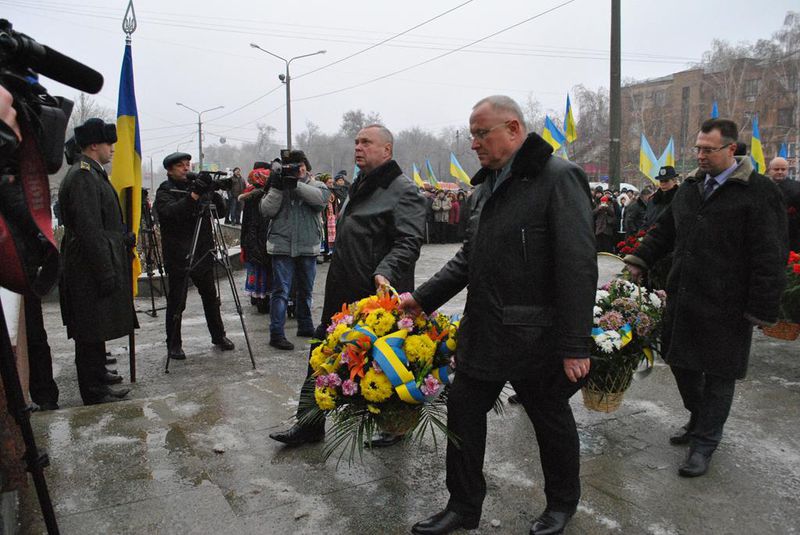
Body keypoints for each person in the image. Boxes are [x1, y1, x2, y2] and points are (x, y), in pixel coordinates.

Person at [404, 96, 596, 535]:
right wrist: (422, 298)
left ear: (513, 129)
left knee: (549, 418)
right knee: (464, 412)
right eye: (471, 133)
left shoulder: (558, 178)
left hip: (538, 335)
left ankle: (562, 504)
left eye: (480, 133)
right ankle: (463, 506)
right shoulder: (487, 185)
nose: (473, 143)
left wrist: (574, 345)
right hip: (485, 328)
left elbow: (577, 266)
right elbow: (471, 256)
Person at [624, 118, 787, 478]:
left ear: (731, 149)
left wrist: (762, 306)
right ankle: (699, 420)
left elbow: (770, 253)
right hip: (685, 295)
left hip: (729, 304)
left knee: (718, 374)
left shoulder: (758, 192)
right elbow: (665, 230)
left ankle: (705, 443)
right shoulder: (691, 188)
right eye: (697, 148)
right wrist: (639, 260)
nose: (699, 155)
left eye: (707, 150)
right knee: (679, 361)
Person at [269, 124, 427, 448]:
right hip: (342, 290)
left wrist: (384, 271)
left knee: (386, 362)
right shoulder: (360, 186)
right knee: (321, 353)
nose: (358, 147)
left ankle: (398, 425)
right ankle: (310, 424)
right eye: (356, 142)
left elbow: (409, 241)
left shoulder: (403, 190)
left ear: (387, 149)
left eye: (366, 142)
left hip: (378, 296)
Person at [58, 118, 134, 405]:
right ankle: (93, 391)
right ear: (93, 145)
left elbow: (101, 225)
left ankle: (100, 380)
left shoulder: (91, 173)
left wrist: (120, 239)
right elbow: (89, 230)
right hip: (88, 267)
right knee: (88, 331)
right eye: (108, 143)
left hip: (93, 262)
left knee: (96, 325)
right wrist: (105, 271)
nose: (112, 149)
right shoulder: (81, 176)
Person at [154, 152, 235, 360]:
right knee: (177, 301)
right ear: (170, 170)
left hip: (203, 251)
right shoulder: (165, 191)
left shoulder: (196, 187)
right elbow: (170, 214)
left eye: (188, 165)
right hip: (179, 255)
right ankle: (173, 343)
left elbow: (222, 211)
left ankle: (218, 336)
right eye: (180, 166)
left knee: (210, 297)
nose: (186, 169)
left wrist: (213, 190)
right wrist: (194, 196)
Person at [259, 150, 328, 350]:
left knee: (305, 290)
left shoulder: (317, 185)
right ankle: (276, 334)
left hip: (307, 245)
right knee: (281, 291)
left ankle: (305, 326)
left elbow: (320, 202)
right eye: (291, 167)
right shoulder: (277, 186)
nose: (297, 170)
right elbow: (266, 210)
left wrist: (295, 185)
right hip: (282, 245)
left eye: (299, 166)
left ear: (306, 167)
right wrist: (278, 187)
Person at [239, 165, 272, 314]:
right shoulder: (266, 195)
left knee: (258, 270)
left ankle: (259, 299)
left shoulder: (250, 195)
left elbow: (245, 223)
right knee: (265, 271)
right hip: (262, 239)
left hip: (253, 239)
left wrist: (244, 243)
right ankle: (263, 300)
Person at [767, 156, 800, 251]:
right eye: (776, 169)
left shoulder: (797, 188)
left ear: (787, 170)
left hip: (791, 238)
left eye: (783, 169)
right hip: (767, 237)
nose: (780, 172)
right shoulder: (762, 187)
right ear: (769, 170)